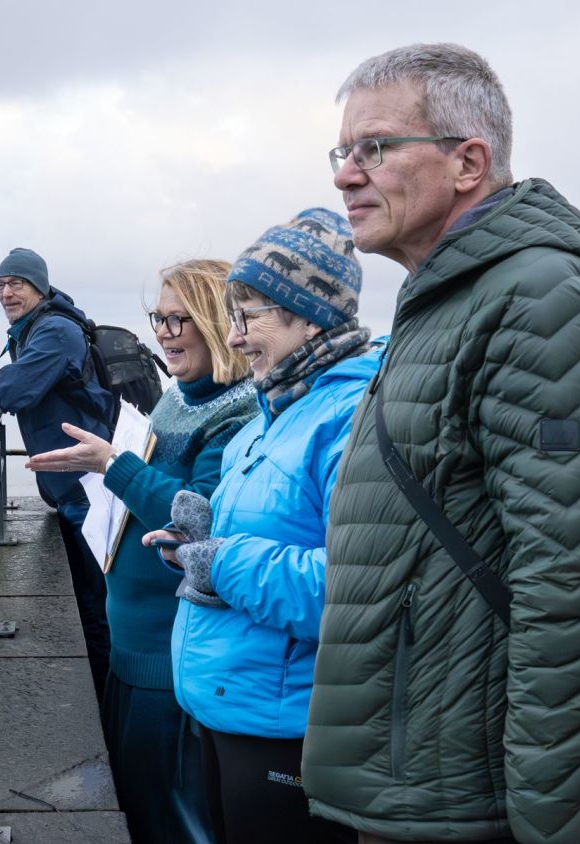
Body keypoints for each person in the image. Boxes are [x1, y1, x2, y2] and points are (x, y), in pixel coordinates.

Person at [301, 44, 580, 844]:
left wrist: (550, 823)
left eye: (374, 149)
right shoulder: (448, 295)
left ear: (468, 162)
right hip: (410, 776)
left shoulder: (536, 295)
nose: (347, 175)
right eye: (342, 153)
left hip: (462, 797)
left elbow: (573, 578)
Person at [143, 208, 377, 843]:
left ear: (311, 316)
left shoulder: (352, 418)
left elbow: (355, 591)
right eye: (232, 317)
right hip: (228, 706)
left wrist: (219, 563)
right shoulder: (271, 411)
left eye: (250, 317)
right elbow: (269, 532)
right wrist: (194, 543)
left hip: (288, 729)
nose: (237, 337)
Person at [25, 259, 258, 843]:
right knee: (134, 809)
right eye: (160, 317)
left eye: (182, 318)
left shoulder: (236, 412)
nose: (165, 332)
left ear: (219, 322)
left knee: (171, 823)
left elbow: (198, 512)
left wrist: (113, 465)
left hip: (168, 663)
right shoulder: (177, 398)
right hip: (131, 656)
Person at [0, 247, 116, 696]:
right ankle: (103, 686)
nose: (6, 292)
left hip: (86, 486)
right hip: (70, 484)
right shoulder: (34, 328)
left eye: (16, 283)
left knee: (98, 603)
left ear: (39, 285)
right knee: (88, 595)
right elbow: (21, 382)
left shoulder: (55, 329)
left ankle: (105, 696)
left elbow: (18, 387)